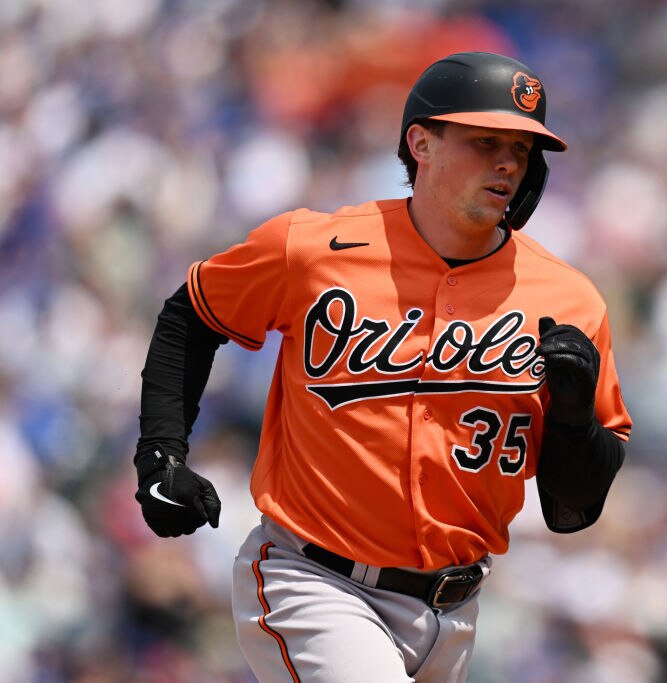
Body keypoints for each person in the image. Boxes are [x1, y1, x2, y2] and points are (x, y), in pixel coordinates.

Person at [132, 51, 631, 682]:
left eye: (523, 149)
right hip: (313, 581)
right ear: (420, 142)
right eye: (485, 141)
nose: (509, 162)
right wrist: (161, 454)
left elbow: (572, 507)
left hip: (456, 611)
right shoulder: (314, 249)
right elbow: (192, 315)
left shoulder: (569, 301)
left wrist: (573, 420)